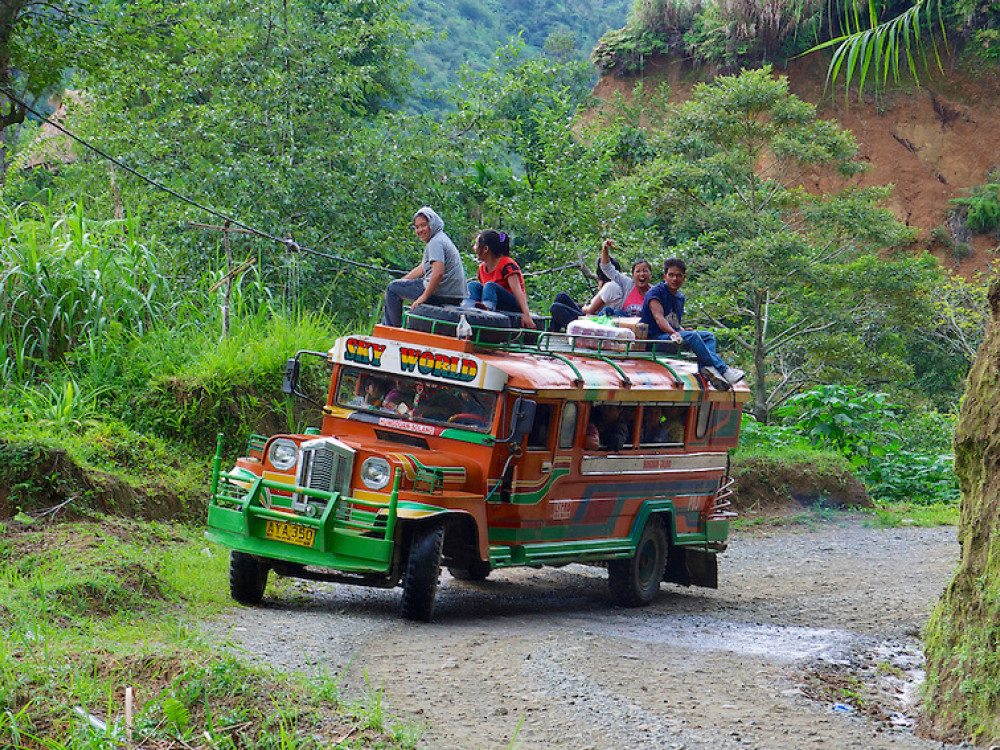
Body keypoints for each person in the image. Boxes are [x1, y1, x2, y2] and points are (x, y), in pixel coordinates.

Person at [639, 258, 745, 391]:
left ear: (684, 278)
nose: (674, 279)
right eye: (671, 275)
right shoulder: (656, 293)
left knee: (708, 336)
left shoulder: (679, 297)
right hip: (655, 339)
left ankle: (707, 370)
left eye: (678, 275)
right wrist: (674, 333)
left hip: (671, 337)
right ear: (664, 276)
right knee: (692, 337)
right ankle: (723, 369)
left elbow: (674, 321)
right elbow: (659, 318)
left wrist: (681, 330)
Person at [383, 207, 467, 328]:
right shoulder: (441, 239)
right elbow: (422, 269)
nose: (420, 230)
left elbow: (438, 273)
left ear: (432, 224)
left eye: (423, 225)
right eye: (417, 227)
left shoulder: (435, 243)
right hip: (454, 295)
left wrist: (423, 297)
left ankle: (390, 330)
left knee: (392, 289)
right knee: (395, 286)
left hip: (441, 293)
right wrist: (402, 281)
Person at [463, 229, 536, 329]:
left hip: (512, 303)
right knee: (473, 285)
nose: (474, 247)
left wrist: (526, 314)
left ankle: (487, 309)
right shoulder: (481, 268)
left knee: (490, 285)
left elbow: (518, 291)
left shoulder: (507, 264)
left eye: (476, 244)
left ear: (485, 249)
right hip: (494, 300)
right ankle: (467, 307)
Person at [549, 254, 623, 333]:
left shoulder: (610, 286)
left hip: (593, 322)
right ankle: (553, 329)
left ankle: (553, 330)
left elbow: (589, 310)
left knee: (555, 307)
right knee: (561, 297)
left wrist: (584, 307)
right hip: (593, 317)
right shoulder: (613, 285)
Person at [598, 239, 654, 318]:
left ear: (650, 274)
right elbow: (607, 268)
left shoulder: (655, 292)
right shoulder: (628, 285)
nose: (642, 274)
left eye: (645, 271)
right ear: (633, 275)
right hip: (624, 324)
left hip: (642, 327)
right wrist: (605, 249)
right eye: (638, 271)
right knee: (611, 310)